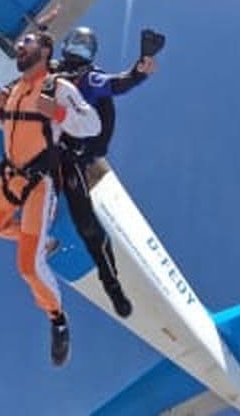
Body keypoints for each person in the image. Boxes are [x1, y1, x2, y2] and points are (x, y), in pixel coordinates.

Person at [0, 29, 100, 367]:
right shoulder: (13, 90)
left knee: (29, 268)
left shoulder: (60, 89)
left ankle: (57, 320)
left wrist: (58, 114)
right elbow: (0, 124)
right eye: (19, 43)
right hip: (10, 178)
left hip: (37, 185)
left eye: (27, 42)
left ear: (46, 50)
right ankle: (41, 242)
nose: (19, 45)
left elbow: (91, 125)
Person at [53, 26, 159, 318]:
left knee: (87, 224)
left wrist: (138, 72)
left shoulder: (88, 78)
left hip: (73, 153)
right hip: (45, 145)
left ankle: (113, 286)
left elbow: (115, 84)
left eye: (86, 47)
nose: (79, 51)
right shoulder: (49, 72)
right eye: (76, 43)